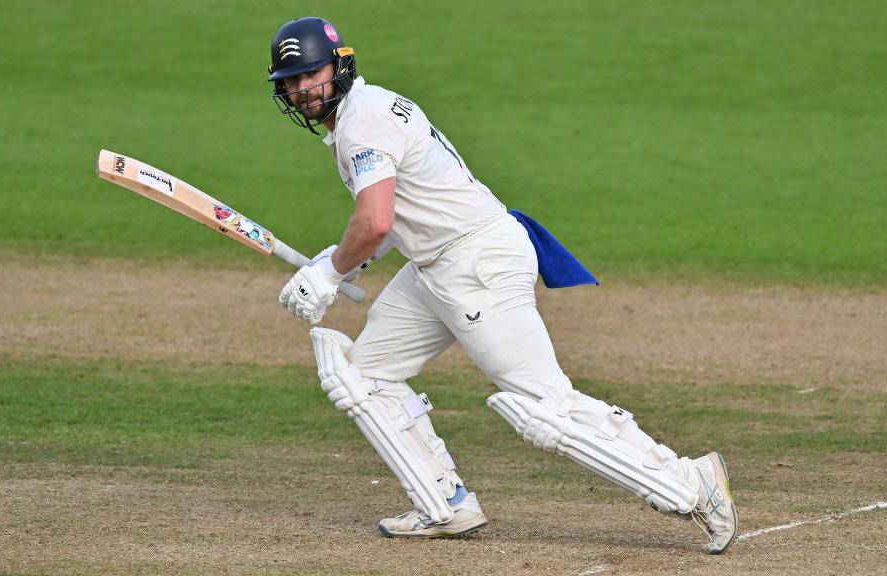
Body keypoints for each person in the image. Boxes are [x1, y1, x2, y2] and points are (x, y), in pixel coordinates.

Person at [267, 16, 737, 553]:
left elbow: (375, 220)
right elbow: (399, 216)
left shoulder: (363, 121)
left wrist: (328, 274)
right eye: (292, 81)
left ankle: (692, 484)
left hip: (474, 263)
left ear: (340, 67)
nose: (303, 89)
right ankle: (444, 504)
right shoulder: (361, 115)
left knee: (542, 408)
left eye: (312, 75)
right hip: (436, 265)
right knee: (362, 374)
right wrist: (337, 263)